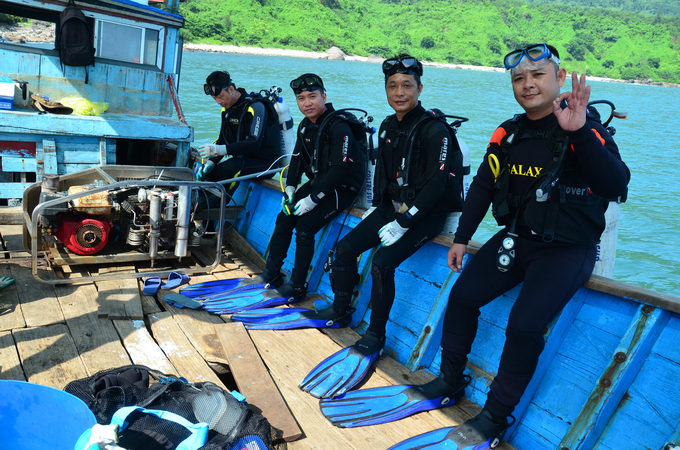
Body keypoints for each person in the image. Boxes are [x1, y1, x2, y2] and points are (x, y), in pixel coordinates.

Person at [320, 44, 632, 446]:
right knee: (463, 297)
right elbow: (483, 185)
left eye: (538, 75)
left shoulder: (585, 128)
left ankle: (497, 415)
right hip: (518, 238)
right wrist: (463, 239)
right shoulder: (510, 132)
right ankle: (450, 379)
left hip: (567, 250)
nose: (528, 84)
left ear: (559, 77)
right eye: (519, 78)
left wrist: (581, 134)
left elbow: (616, 185)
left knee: (523, 327)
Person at [292, 55, 465, 399]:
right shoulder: (387, 125)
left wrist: (405, 221)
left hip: (425, 213)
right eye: (392, 86)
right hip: (390, 207)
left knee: (383, 264)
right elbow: (384, 174)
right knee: (344, 250)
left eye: (407, 86)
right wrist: (378, 208)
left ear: (419, 88)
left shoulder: (435, 129)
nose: (399, 92)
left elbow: (436, 184)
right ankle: (341, 309)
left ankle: (376, 335)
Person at [199, 73, 368, 311]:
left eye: (312, 97)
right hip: (320, 183)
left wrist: (313, 198)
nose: (307, 103)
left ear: (324, 97)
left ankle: (297, 285)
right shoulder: (306, 126)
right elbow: (297, 160)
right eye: (301, 98)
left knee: (305, 226)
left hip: (343, 188)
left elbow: (340, 170)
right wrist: (290, 187)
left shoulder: (339, 126)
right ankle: (272, 273)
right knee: (283, 217)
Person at [197, 71, 283, 197]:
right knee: (209, 173)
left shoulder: (256, 107)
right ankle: (199, 202)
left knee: (231, 166)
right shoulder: (226, 110)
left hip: (266, 163)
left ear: (231, 89)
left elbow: (254, 142)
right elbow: (223, 139)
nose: (218, 102)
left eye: (220, 97)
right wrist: (211, 162)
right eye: (215, 99)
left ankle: (217, 204)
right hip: (244, 159)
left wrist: (220, 150)